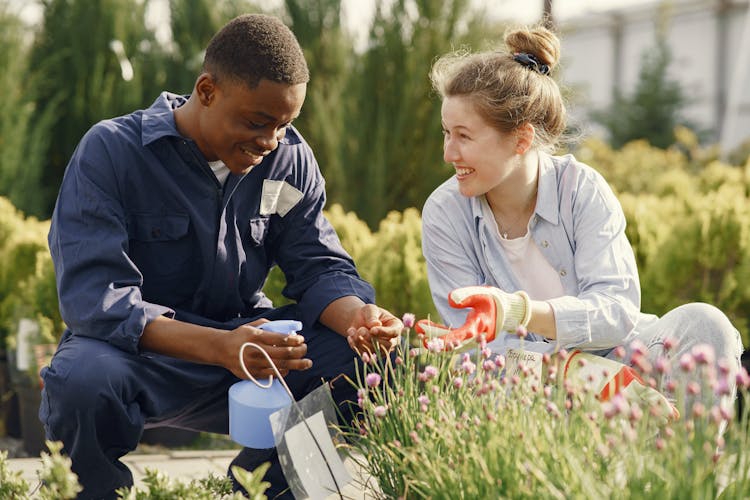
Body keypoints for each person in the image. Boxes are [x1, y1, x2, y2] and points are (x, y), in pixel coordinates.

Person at [41, 13, 402, 500]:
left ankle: (265, 492)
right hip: (142, 357)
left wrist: (360, 320)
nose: (270, 141)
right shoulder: (111, 152)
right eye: (257, 122)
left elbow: (318, 265)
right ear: (207, 90)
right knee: (80, 379)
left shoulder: (287, 161)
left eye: (284, 124)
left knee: (367, 361)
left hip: (247, 352)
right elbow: (96, 302)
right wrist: (222, 346)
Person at [419, 25, 743, 408]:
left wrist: (518, 312)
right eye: (446, 133)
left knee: (707, 324)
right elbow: (477, 354)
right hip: (528, 392)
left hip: (623, 360)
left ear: (521, 139)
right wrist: (587, 377)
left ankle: (687, 467)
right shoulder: (444, 214)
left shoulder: (582, 188)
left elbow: (617, 309)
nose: (448, 153)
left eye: (463, 136)